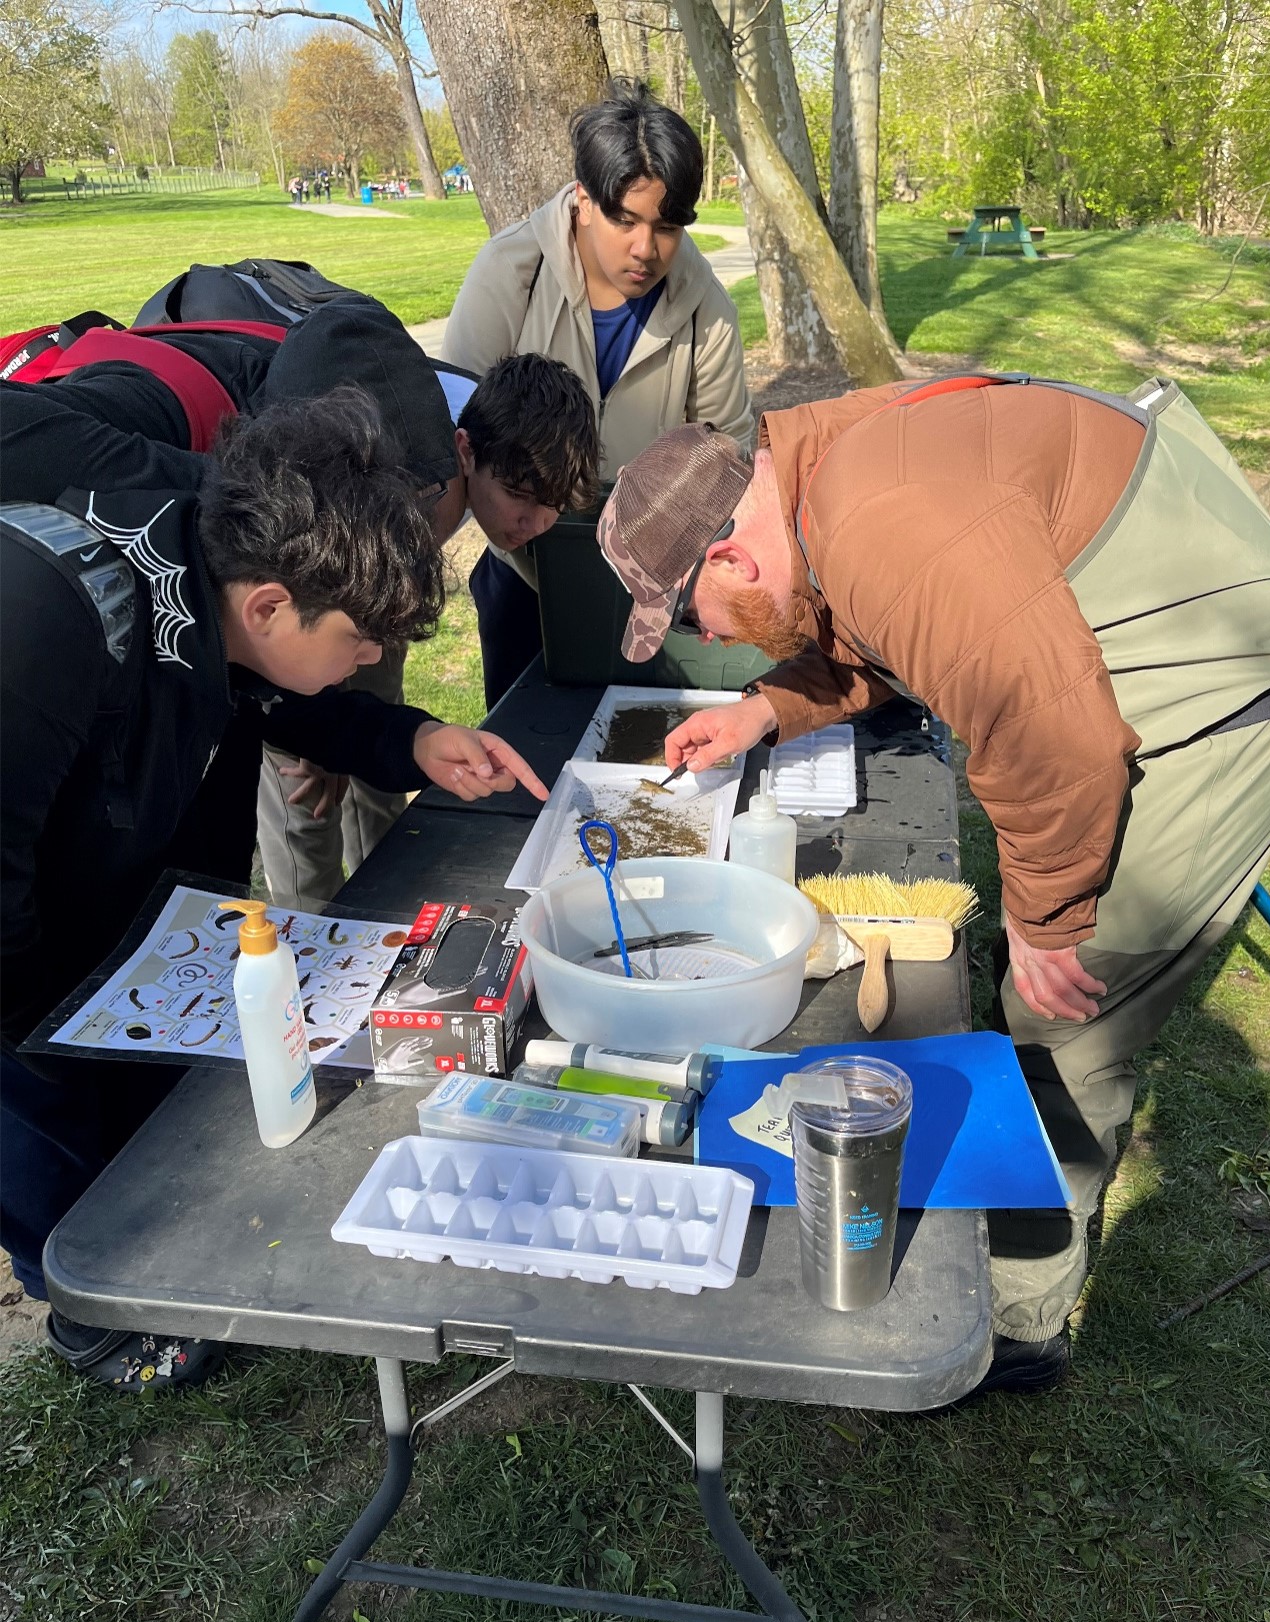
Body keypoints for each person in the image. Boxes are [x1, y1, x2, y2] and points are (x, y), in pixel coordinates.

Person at [596, 382, 1270, 1396]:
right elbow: (895, 634)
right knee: (1041, 986)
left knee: (1065, 1023)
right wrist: (766, 707)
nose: (714, 636)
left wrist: (1051, 917)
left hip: (1218, 700)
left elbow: (1057, 736)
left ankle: (1017, 1326)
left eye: (694, 615)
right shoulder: (820, 477)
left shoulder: (884, 519)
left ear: (728, 556)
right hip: (1139, 675)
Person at [1, 388, 549, 1388]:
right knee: (31, 1088)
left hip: (69, 856)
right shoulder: (44, 626)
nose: (373, 658)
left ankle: (128, 1228)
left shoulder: (240, 557)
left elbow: (276, 684)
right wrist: (62, 1029)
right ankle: (87, 1300)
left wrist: (410, 737)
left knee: (118, 1072)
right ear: (267, 604)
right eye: (365, 638)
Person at [444, 77, 754, 707]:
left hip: (651, 582)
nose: (646, 249)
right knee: (524, 756)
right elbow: (450, 430)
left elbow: (731, 458)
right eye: (624, 219)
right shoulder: (510, 274)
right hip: (525, 579)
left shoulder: (707, 309)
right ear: (583, 198)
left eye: (667, 227)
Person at [256, 351, 599, 908]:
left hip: (370, 589)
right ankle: (302, 947)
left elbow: (375, 649)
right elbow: (293, 621)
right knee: (306, 792)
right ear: (465, 451)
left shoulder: (499, 444)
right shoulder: (411, 486)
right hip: (292, 607)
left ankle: (378, 926)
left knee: (379, 764)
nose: (534, 524)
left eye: (552, 506)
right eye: (521, 499)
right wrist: (316, 728)